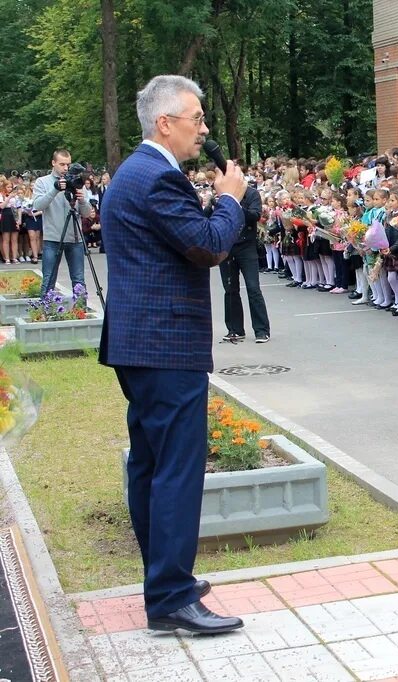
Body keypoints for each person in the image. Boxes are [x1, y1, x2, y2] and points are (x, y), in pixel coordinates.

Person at [99, 74, 246, 634]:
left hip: (144, 344)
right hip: (165, 346)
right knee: (177, 470)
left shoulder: (138, 173)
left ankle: (165, 579)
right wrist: (230, 199)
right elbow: (209, 245)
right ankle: (171, 596)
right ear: (165, 123)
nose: (203, 129)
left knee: (152, 466)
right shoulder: (157, 178)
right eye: (197, 119)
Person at [32, 149, 94, 292]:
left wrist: (82, 200)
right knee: (49, 280)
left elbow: (86, 214)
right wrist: (55, 190)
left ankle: (80, 312)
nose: (66, 168)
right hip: (53, 239)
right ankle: (45, 312)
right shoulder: (43, 182)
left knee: (79, 281)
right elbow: (38, 205)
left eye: (68, 164)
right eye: (62, 164)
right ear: (53, 163)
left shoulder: (77, 182)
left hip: (75, 239)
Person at [217, 183, 270, 343]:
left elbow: (255, 215)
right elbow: (209, 217)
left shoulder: (251, 194)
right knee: (230, 289)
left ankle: (262, 330)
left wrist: (235, 205)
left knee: (253, 288)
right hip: (227, 246)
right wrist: (213, 205)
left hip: (247, 246)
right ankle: (235, 329)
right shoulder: (222, 195)